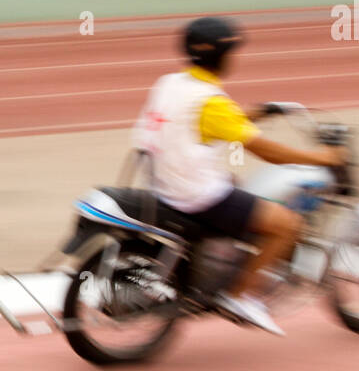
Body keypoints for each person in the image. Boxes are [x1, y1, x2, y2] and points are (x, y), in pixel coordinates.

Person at [133, 17, 346, 336]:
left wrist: (256, 111)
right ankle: (240, 297)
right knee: (287, 224)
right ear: (222, 56)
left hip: (161, 185)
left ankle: (217, 266)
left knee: (237, 186)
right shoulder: (211, 102)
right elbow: (269, 152)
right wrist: (322, 158)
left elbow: (197, 120)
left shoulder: (170, 83)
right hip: (196, 195)